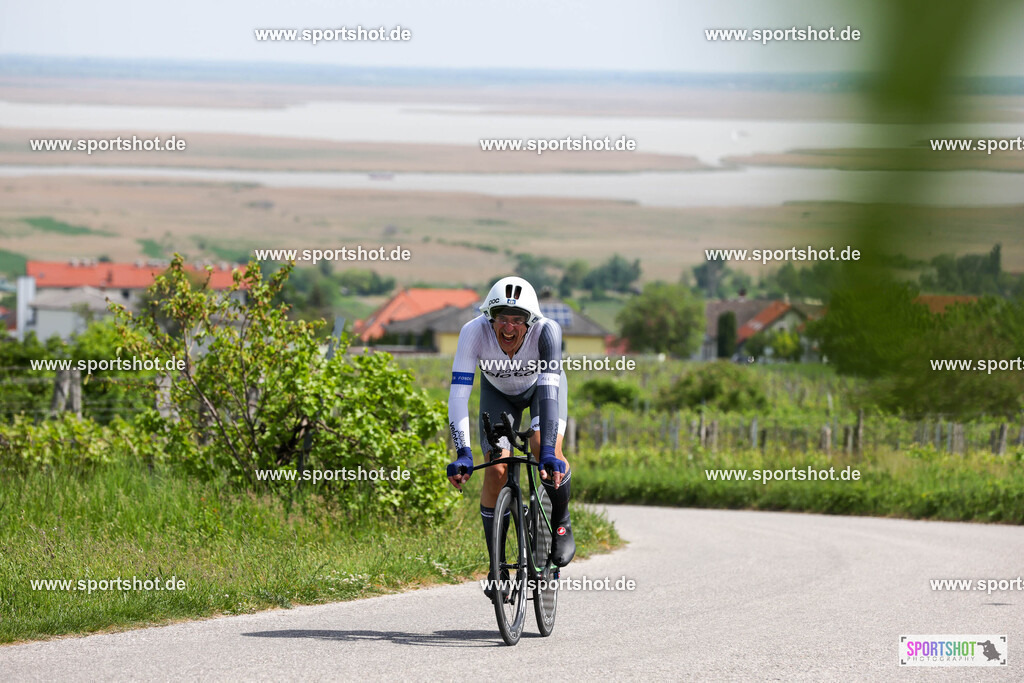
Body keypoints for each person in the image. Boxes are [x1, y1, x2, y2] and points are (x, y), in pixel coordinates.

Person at [445, 276, 574, 596]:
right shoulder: (472, 332)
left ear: (530, 322)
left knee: (543, 448)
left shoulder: (547, 331)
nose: (509, 327)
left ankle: (561, 523)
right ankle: (497, 565)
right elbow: (459, 396)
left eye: (518, 320)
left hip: (543, 391)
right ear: (490, 318)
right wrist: (462, 452)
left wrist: (546, 450)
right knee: (496, 469)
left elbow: (547, 391)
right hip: (497, 393)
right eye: (502, 318)